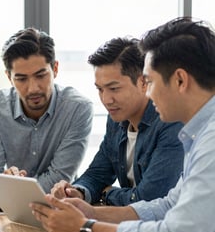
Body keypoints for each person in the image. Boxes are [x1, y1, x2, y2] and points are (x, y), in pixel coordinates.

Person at [30, 17, 215, 232]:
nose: (147, 92)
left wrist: (87, 230)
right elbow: (169, 205)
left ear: (180, 80)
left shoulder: (210, 143)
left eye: (149, 82)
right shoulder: (199, 134)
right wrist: (93, 212)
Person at [51, 37, 184, 206]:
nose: (106, 99)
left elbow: (150, 198)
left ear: (143, 82)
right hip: (127, 224)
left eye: (114, 88)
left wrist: (107, 193)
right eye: (100, 89)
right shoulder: (116, 120)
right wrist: (77, 192)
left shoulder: (170, 122)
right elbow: (97, 174)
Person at [0, 27, 93, 206]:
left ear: (55, 69)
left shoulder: (78, 109)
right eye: (21, 79)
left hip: (59, 207)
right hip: (9, 213)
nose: (33, 88)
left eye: (40, 76)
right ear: (9, 77)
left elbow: (60, 176)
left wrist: (9, 194)